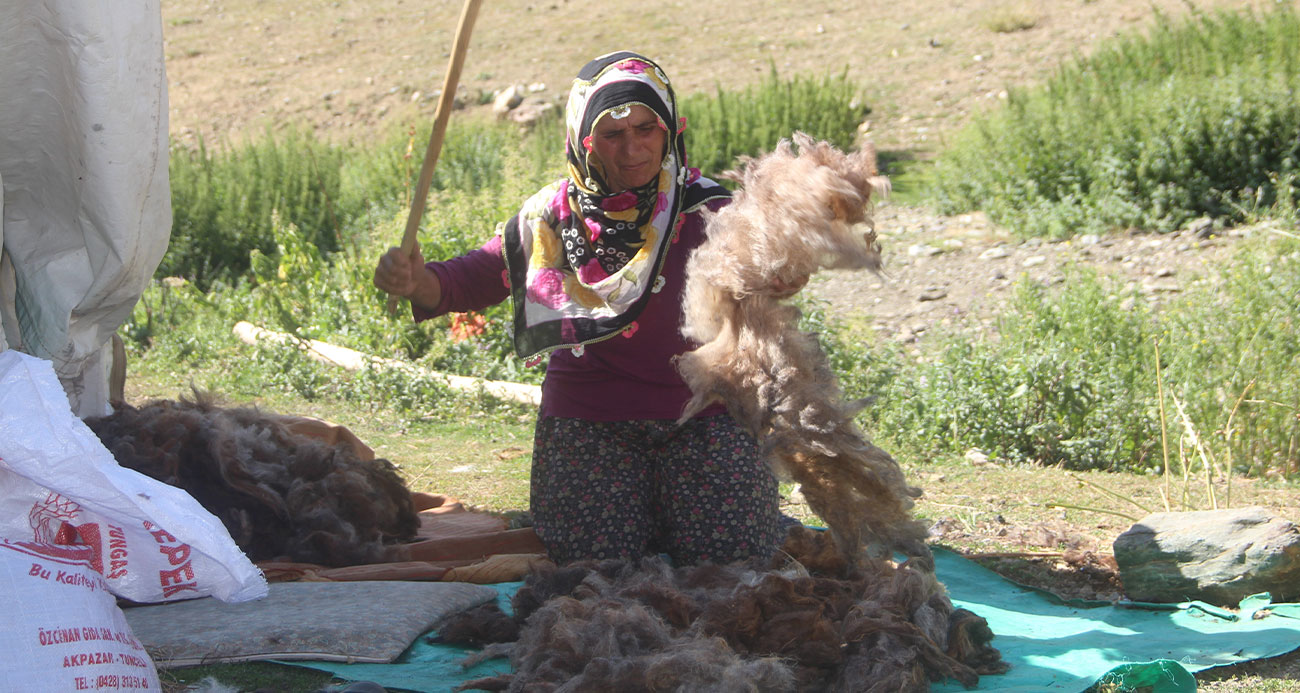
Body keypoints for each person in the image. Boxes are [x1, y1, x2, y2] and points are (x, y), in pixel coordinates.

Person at [374, 51, 785, 566]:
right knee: (593, 571)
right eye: (612, 135)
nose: (633, 149)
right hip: (589, 421)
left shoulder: (712, 212)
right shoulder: (551, 218)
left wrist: (782, 270)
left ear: (670, 130)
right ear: (583, 140)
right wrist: (416, 281)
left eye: (646, 128)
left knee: (735, 563)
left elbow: (771, 280)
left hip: (706, 416)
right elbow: (466, 282)